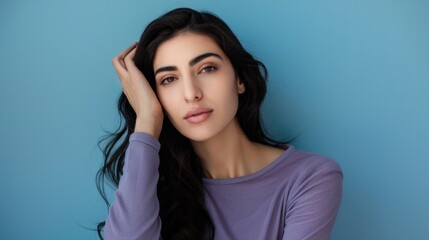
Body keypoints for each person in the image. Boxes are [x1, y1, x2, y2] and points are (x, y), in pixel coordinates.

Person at [96, 7, 343, 240]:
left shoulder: (310, 178)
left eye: (207, 68)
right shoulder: (153, 186)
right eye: (169, 79)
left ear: (239, 80)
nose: (191, 93)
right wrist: (148, 120)